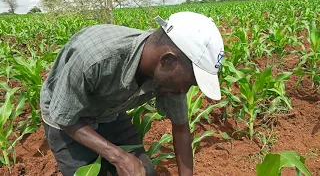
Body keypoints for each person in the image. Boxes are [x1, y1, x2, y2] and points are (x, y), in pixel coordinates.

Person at [40, 11, 224, 176]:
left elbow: (181, 127)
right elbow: (64, 116)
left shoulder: (170, 79)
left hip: (110, 111)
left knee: (144, 172)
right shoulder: (95, 59)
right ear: (167, 60)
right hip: (67, 117)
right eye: (188, 83)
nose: (184, 91)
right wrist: (118, 156)